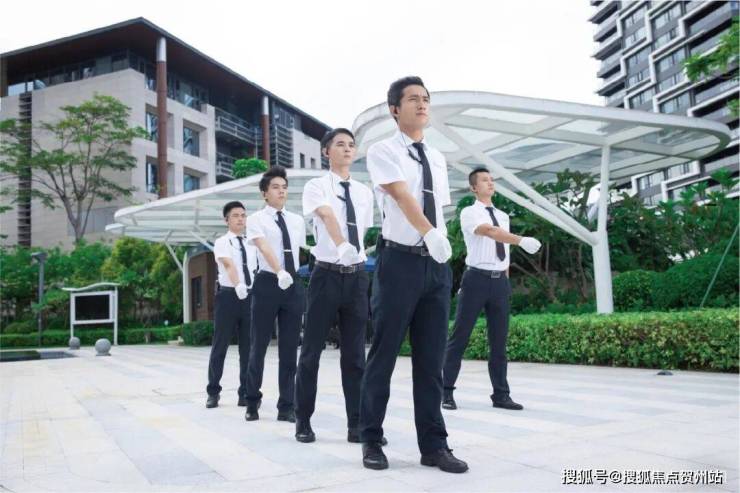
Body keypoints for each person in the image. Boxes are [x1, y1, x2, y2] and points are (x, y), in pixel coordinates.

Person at [358, 76, 468, 474]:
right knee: (384, 354)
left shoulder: (436, 157)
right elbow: (403, 196)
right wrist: (429, 233)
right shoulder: (383, 150)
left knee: (431, 360)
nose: (422, 104)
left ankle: (434, 446)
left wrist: (440, 242)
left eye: (426, 99)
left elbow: (440, 207)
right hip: (398, 263)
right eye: (413, 99)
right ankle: (371, 438)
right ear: (394, 109)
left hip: (435, 265)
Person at [294, 128, 376, 444]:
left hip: (356, 277)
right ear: (326, 151)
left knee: (355, 356)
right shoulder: (316, 186)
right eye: (340, 144)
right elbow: (327, 214)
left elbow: (364, 229)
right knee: (311, 352)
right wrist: (341, 244)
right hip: (326, 275)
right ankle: (303, 421)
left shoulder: (364, 192)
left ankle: (357, 425)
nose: (347, 149)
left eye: (351, 145)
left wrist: (353, 254)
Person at [442, 167, 541, 412]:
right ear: (474, 187)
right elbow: (489, 231)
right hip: (476, 279)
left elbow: (503, 251)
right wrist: (521, 240)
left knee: (499, 341)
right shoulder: (469, 212)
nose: (490, 183)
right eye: (484, 180)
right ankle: (446, 392)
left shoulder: (503, 215)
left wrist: (505, 281)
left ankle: (501, 395)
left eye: (492, 180)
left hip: (499, 282)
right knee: (460, 337)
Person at [244, 165, 306, 423]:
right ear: (264, 193)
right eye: (276, 187)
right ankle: (252, 401)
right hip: (268, 283)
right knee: (258, 346)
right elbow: (263, 246)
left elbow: (299, 250)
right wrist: (279, 271)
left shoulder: (297, 220)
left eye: (284, 187)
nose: (281, 191)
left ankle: (286, 406)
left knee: (290, 349)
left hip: (292, 285)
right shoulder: (256, 219)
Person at [205, 201, 257, 409]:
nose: (240, 219)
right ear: (226, 220)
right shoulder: (222, 242)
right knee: (220, 346)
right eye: (236, 215)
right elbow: (229, 265)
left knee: (248, 349)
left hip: (249, 298)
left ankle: (245, 392)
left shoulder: (252, 243)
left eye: (243, 215)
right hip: (228, 296)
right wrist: (238, 285)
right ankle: (213, 392)